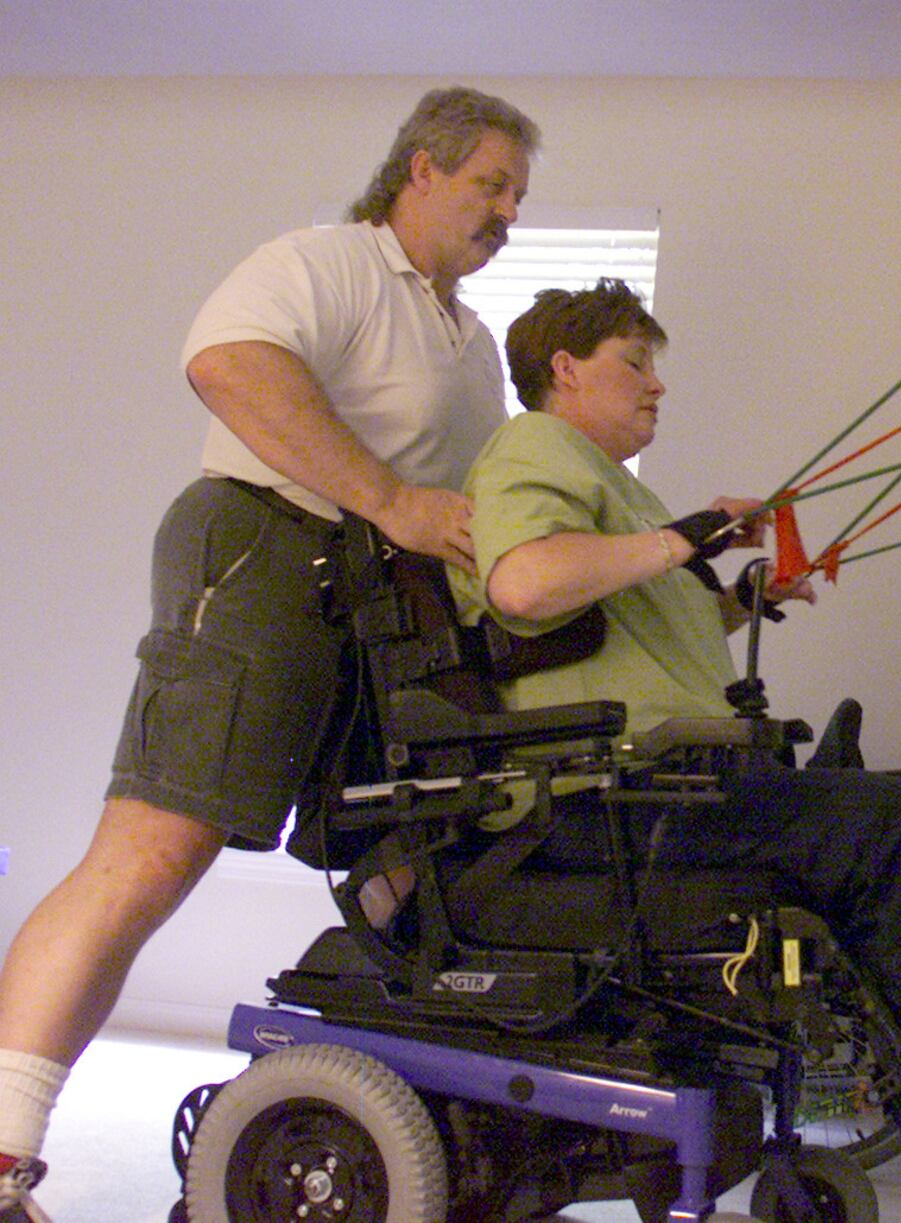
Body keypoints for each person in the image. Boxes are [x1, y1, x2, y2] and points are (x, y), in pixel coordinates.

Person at [448, 279, 901, 1222]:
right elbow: (524, 583)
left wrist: (739, 599)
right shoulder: (533, 447)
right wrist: (681, 539)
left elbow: (628, 621)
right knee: (890, 829)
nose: (656, 386)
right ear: (564, 367)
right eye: (636, 362)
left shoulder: (617, 493)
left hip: (662, 791)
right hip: (603, 804)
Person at [0, 85, 538, 1220]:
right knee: (152, 854)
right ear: (420, 171)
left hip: (380, 607)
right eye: (490, 183)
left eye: (519, 196)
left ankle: (376, 1111)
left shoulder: (472, 341)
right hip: (262, 550)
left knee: (421, 862)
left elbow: (488, 516)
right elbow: (226, 364)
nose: (506, 213)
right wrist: (390, 496)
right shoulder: (331, 261)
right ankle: (2, 1155)